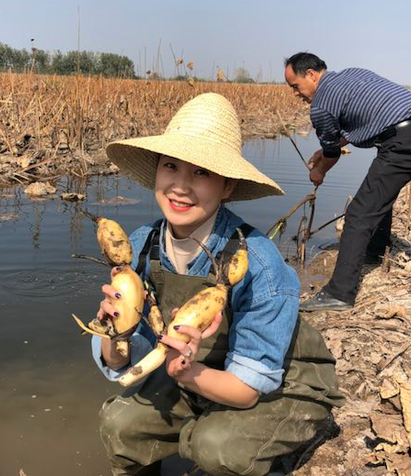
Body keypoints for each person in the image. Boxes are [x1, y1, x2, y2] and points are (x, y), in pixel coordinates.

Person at [89, 93, 344, 476]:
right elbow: (130, 360)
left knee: (214, 446)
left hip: (273, 386)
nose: (181, 186)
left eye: (202, 172)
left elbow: (247, 388)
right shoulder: (140, 247)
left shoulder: (258, 262)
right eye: (171, 166)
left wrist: (186, 374)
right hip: (193, 369)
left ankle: (271, 449)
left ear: (227, 187)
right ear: (156, 172)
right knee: (121, 426)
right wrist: (113, 331)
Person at [284, 52, 411, 311]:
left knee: (358, 214)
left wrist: (319, 172)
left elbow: (333, 154)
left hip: (402, 141)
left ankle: (339, 294)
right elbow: (368, 118)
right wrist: (325, 150)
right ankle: (375, 251)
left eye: (295, 86)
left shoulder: (321, 105)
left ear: (311, 75)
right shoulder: (353, 74)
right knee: (379, 196)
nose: (295, 93)